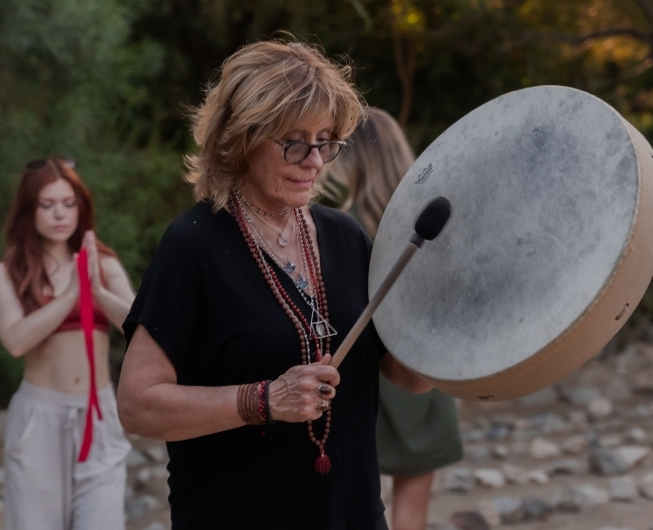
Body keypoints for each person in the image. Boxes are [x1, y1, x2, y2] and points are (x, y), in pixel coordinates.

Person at [115, 40, 432, 529]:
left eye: (326, 140)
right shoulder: (193, 245)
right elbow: (137, 406)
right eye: (294, 141)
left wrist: (456, 305)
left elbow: (410, 378)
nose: (315, 160)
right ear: (240, 138)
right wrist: (263, 400)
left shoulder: (345, 236)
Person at [322, 107, 463, 530]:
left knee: (356, 502)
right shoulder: (437, 222)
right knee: (410, 511)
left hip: (367, 375)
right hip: (421, 366)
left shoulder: (341, 229)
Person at [0, 157, 137, 530]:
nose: (60, 214)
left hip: (98, 414)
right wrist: (71, 293)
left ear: (81, 208)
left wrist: (97, 292)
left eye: (69, 204)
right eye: (47, 204)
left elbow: (140, 328)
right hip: (39, 418)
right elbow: (15, 341)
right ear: (29, 210)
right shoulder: (8, 273)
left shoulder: (103, 263)